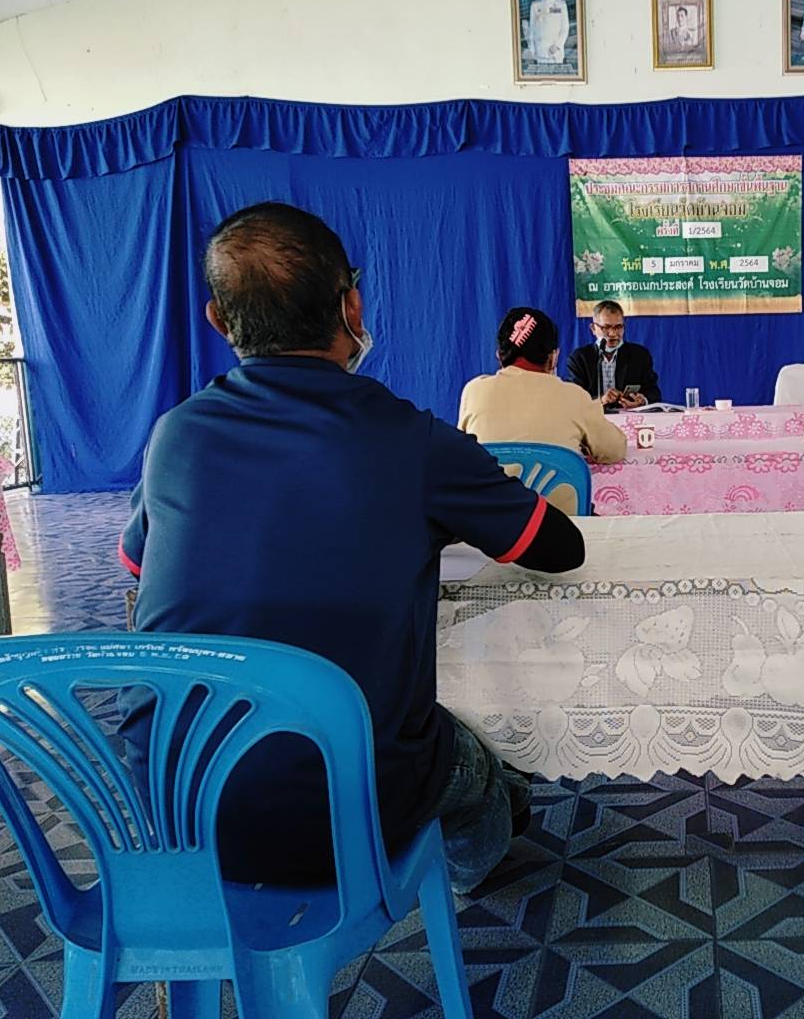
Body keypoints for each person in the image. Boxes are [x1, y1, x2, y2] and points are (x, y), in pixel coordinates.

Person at [118, 202, 586, 893]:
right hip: (351, 802)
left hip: (175, 807)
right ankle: (459, 874)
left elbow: (137, 563)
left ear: (218, 320)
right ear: (353, 307)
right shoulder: (412, 443)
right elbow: (560, 547)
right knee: (481, 767)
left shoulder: (175, 436)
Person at [459, 307, 627, 511]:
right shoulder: (574, 396)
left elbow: (463, 453)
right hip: (562, 522)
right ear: (553, 357)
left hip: (489, 521)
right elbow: (614, 450)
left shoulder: (474, 391)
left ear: (499, 355)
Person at [565, 300, 662, 411]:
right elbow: (574, 398)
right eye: (606, 327)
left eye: (618, 327)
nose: (613, 333)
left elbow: (654, 392)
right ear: (593, 328)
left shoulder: (639, 355)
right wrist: (601, 401)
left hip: (629, 417)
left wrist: (642, 400)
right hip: (593, 418)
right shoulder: (579, 358)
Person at [527, 0, 569, 66]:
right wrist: (532, 50)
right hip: (540, 51)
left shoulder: (560, 5)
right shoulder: (535, 6)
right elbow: (532, 29)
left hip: (555, 51)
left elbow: (565, 28)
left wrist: (557, 45)